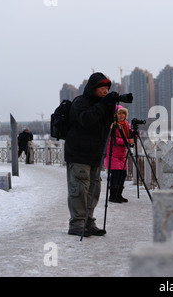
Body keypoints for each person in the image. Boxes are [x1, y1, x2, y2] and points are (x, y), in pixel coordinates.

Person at [64, 72, 120, 237]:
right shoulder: (80, 102)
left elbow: (108, 127)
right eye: (101, 88)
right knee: (80, 189)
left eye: (107, 88)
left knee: (93, 191)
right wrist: (104, 105)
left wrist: (109, 108)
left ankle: (88, 222)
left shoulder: (102, 105)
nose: (105, 91)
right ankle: (76, 224)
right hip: (78, 154)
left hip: (96, 155)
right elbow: (86, 119)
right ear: (92, 88)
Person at [105, 105, 134, 203]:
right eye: (119, 113)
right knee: (115, 175)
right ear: (115, 115)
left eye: (123, 113)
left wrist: (135, 133)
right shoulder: (112, 125)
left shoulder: (126, 125)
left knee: (123, 175)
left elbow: (130, 134)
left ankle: (119, 195)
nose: (121, 115)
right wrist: (128, 140)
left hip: (122, 154)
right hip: (113, 154)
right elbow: (113, 140)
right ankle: (113, 196)